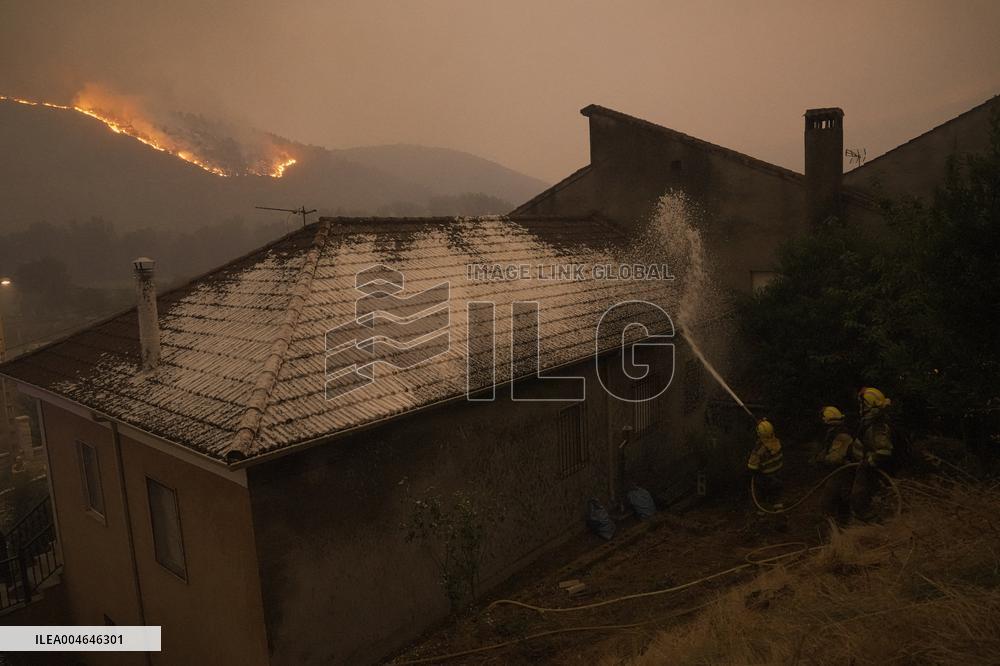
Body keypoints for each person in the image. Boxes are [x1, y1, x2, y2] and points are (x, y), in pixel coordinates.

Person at [852, 387, 894, 519]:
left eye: (861, 403)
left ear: (867, 405)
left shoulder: (877, 425)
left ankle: (873, 525)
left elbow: (883, 451)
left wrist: (867, 463)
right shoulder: (871, 422)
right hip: (869, 468)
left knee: (864, 500)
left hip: (874, 470)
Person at [817, 405, 858, 522]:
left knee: (827, 503)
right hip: (841, 472)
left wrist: (823, 459)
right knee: (842, 501)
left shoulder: (842, 435)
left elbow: (835, 458)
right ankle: (843, 525)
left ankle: (834, 529)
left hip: (842, 472)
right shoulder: (836, 432)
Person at [747, 418, 784, 508]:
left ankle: (762, 512)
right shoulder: (777, 442)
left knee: (761, 494)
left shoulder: (759, 449)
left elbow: (752, 466)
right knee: (776, 492)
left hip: (765, 477)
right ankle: (778, 509)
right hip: (778, 473)